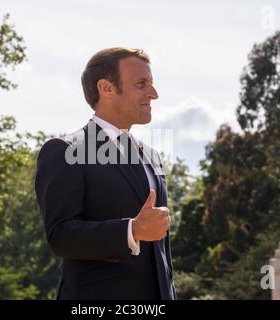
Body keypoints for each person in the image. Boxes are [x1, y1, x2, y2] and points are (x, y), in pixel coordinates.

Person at [35, 47, 176, 300]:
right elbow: (61, 236)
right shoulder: (64, 151)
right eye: (141, 84)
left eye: (152, 84)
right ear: (106, 88)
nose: (153, 94)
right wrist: (131, 230)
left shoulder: (152, 156)